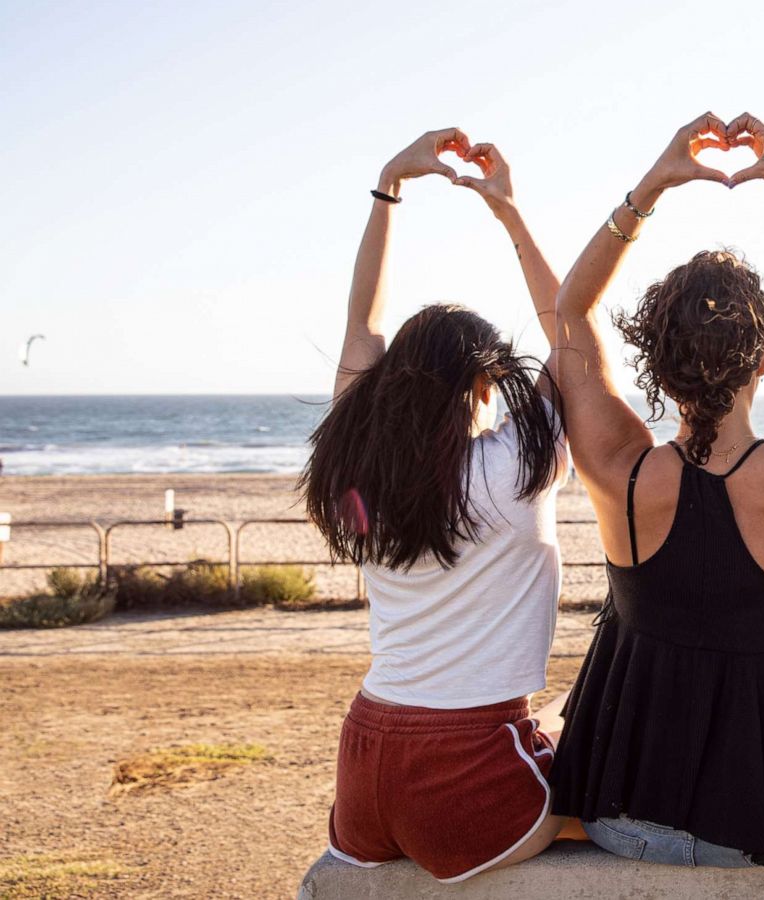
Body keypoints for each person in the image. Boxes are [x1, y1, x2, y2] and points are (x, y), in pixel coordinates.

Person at [544, 113, 764, 884]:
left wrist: (653, 185)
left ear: (656, 361)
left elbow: (570, 310)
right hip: (763, 822)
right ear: (763, 356)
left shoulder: (622, 471)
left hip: (623, 817)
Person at [301, 128, 573, 882]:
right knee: (596, 734)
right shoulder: (513, 466)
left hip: (363, 764)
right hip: (466, 766)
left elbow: (362, 326)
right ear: (484, 386)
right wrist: (510, 214)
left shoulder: (357, 465)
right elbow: (572, 334)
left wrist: (390, 185)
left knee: (556, 720)